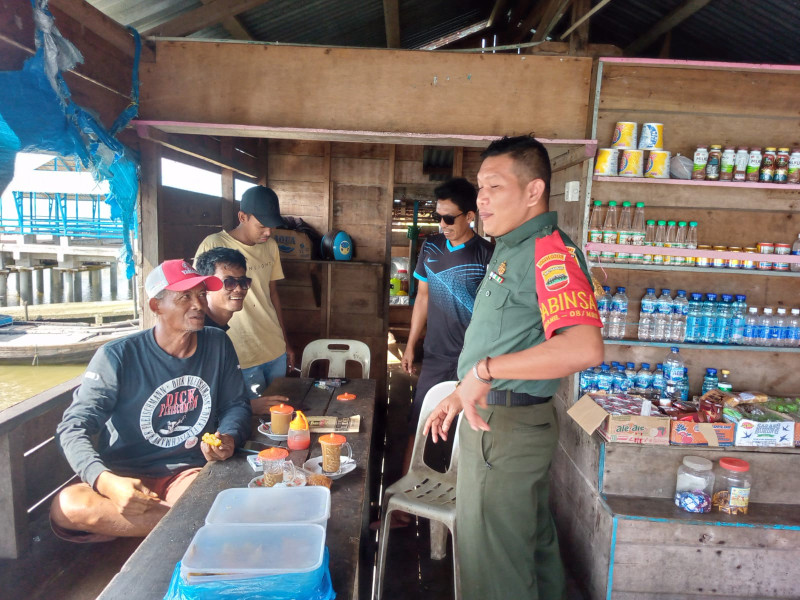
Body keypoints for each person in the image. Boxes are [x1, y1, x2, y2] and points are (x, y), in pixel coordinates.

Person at [423, 135, 604, 600]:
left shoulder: (548, 250)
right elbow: (504, 334)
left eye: (495, 186)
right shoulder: (511, 246)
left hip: (504, 429)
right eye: (480, 187)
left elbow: (584, 347)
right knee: (529, 550)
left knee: (493, 570)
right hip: (499, 419)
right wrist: (462, 389)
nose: (481, 198)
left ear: (533, 191)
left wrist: (482, 372)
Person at [50, 259, 252, 541]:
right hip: (123, 476)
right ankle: (195, 526)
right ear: (156, 306)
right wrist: (105, 481)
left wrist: (228, 436)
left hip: (185, 472)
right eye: (185, 296)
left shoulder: (218, 344)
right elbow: (73, 427)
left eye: (201, 294)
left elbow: (236, 405)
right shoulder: (116, 356)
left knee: (204, 494)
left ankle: (163, 526)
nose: (198, 304)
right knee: (68, 507)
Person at [399, 178, 492, 482]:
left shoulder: (486, 255)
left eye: (449, 218)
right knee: (420, 424)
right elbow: (422, 297)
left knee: (465, 429)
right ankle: (408, 495)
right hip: (436, 356)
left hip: (472, 361)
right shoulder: (432, 247)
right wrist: (412, 344)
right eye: (438, 217)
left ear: (469, 216)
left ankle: (457, 496)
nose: (442, 224)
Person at [195, 185, 294, 398]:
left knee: (276, 417)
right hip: (240, 352)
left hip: (273, 348)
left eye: (272, 227)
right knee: (245, 419)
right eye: (261, 226)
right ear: (242, 217)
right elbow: (199, 296)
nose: (268, 232)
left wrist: (286, 342)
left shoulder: (270, 246)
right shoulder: (214, 245)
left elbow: (272, 294)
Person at [194, 247, 290, 413]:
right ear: (206, 286)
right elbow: (195, 399)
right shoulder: (201, 333)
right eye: (229, 282)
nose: (238, 289)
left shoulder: (217, 329)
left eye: (243, 282)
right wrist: (248, 406)